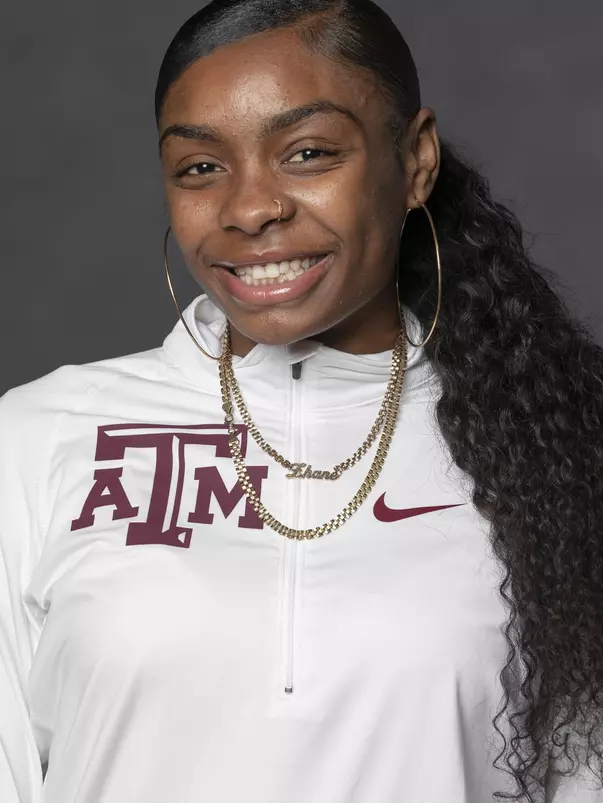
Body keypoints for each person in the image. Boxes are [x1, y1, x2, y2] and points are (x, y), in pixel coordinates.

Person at [1, 0, 602, 801]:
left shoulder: (556, 448)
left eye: (308, 152)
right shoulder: (39, 437)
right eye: (201, 167)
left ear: (415, 160)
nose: (251, 208)